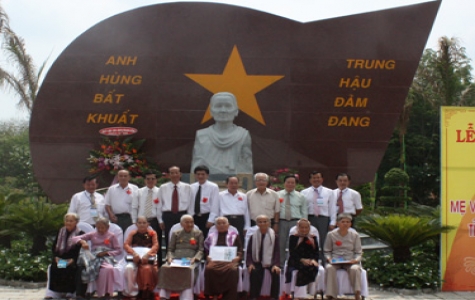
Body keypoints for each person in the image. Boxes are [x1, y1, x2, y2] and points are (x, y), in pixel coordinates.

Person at [191, 92, 253, 175]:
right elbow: (196, 168)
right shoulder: (201, 135)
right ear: (211, 111)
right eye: (218, 106)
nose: (223, 110)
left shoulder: (243, 135)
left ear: (236, 111)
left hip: (236, 185)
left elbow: (246, 167)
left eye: (228, 106)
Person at [72, 217, 122, 298]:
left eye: (102, 228)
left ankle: (108, 292)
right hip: (94, 255)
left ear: (107, 227)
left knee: (108, 269)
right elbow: (74, 238)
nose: (100, 230)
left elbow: (118, 250)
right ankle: (96, 292)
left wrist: (107, 252)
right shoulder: (93, 234)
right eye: (98, 227)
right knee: (88, 269)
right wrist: (83, 241)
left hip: (106, 256)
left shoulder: (111, 236)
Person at [158, 214, 204, 300]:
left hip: (190, 259)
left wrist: (195, 258)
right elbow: (170, 249)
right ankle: (164, 295)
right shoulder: (176, 233)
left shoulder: (198, 233)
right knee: (164, 267)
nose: (190, 224)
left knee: (188, 270)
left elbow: (201, 249)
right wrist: (170, 257)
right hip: (176, 258)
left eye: (192, 222)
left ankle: (186, 297)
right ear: (181, 224)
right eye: (187, 222)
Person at [44, 213, 85, 299]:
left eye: (71, 221)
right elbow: (54, 246)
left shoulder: (80, 233)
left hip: (73, 259)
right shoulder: (61, 231)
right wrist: (56, 257)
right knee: (55, 267)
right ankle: (55, 293)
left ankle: (69, 292)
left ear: (76, 222)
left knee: (69, 268)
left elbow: (79, 250)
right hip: (60, 258)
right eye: (67, 221)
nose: (68, 223)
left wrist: (72, 260)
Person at [324, 214, 363, 300]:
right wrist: (329, 258)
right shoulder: (331, 234)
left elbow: (358, 252)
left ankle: (357, 293)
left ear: (350, 224)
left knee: (355, 269)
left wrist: (355, 260)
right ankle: (331, 294)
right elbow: (327, 251)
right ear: (337, 223)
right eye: (343, 222)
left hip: (349, 260)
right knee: (329, 268)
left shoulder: (355, 235)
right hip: (335, 260)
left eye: (348, 222)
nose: (345, 224)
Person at [204, 217, 243, 300]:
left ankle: (229, 296)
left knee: (232, 270)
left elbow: (240, 249)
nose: (221, 225)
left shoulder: (234, 236)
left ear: (228, 225)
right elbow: (206, 250)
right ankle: (214, 294)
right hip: (215, 260)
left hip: (230, 261)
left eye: (223, 223)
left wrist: (238, 257)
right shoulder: (211, 236)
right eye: (219, 223)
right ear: (215, 226)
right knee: (209, 269)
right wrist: (207, 257)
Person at [157, 166, 194, 253]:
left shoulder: (187, 187)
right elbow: (159, 204)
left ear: (180, 174)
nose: (174, 175)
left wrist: (189, 219)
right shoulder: (163, 187)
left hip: (182, 215)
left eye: (176, 173)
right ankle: (169, 259)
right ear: (169, 175)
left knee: (184, 237)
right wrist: (160, 220)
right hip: (168, 215)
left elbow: (191, 203)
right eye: (172, 173)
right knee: (169, 239)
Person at [301, 171, 336, 260]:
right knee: (310, 241)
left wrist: (333, 222)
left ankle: (325, 262)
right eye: (314, 178)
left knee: (324, 241)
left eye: (318, 177)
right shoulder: (304, 192)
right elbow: (302, 208)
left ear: (322, 179)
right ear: (310, 180)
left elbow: (332, 207)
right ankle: (312, 260)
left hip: (323, 219)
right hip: (310, 219)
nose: (316, 180)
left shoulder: (329, 192)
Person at [123, 216, 159, 300]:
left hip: (147, 258)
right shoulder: (132, 233)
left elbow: (156, 245)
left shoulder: (153, 233)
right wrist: (134, 253)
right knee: (129, 268)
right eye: (140, 223)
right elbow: (126, 245)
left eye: (144, 223)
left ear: (148, 224)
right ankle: (132, 291)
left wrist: (148, 254)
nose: (142, 225)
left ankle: (146, 290)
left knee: (146, 268)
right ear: (136, 224)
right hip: (134, 256)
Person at [246, 215, 280, 300]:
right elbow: (249, 252)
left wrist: (276, 264)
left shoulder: (274, 236)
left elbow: (277, 252)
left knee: (276, 272)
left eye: (265, 221)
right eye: (260, 222)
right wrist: (250, 264)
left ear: (269, 223)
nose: (262, 223)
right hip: (256, 261)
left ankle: (274, 297)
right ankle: (254, 296)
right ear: (257, 224)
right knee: (253, 271)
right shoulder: (253, 236)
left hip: (271, 262)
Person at [132, 170, 162, 265]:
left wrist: (161, 221)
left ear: (156, 180)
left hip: (154, 221)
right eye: (148, 179)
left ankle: (158, 265)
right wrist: (134, 222)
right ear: (145, 180)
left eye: (153, 179)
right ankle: (141, 263)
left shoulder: (160, 192)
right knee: (142, 242)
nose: (150, 181)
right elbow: (134, 207)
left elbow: (161, 208)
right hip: (141, 222)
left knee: (156, 243)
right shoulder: (139, 192)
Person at [277, 175, 307, 267]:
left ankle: (293, 263)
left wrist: (303, 225)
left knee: (295, 244)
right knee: (281, 244)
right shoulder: (277, 195)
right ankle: (281, 264)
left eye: (292, 183)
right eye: (288, 182)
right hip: (281, 222)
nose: (290, 184)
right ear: (284, 183)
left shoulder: (301, 196)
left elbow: (304, 211)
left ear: (296, 184)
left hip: (295, 222)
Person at [285, 219, 319, 299]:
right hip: (296, 260)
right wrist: (302, 260)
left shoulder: (313, 238)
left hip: (310, 260)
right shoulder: (294, 237)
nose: (304, 229)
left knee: (313, 267)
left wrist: (313, 260)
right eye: (302, 227)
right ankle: (299, 294)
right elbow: (292, 252)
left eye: (306, 227)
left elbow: (316, 252)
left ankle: (310, 291)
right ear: (298, 227)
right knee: (303, 268)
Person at [217, 176, 250, 245]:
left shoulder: (243, 196)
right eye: (231, 183)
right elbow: (218, 209)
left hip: (240, 221)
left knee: (239, 241)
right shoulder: (220, 195)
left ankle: (239, 255)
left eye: (236, 183)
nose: (233, 185)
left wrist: (247, 226)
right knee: (226, 241)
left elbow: (246, 211)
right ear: (226, 184)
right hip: (226, 220)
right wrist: (219, 223)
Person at [190, 165, 219, 239]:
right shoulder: (191, 187)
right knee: (194, 238)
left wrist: (211, 220)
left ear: (207, 175)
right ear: (195, 175)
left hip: (206, 217)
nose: (200, 176)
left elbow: (215, 205)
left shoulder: (213, 187)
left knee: (206, 239)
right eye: (198, 174)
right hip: (194, 217)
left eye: (203, 174)